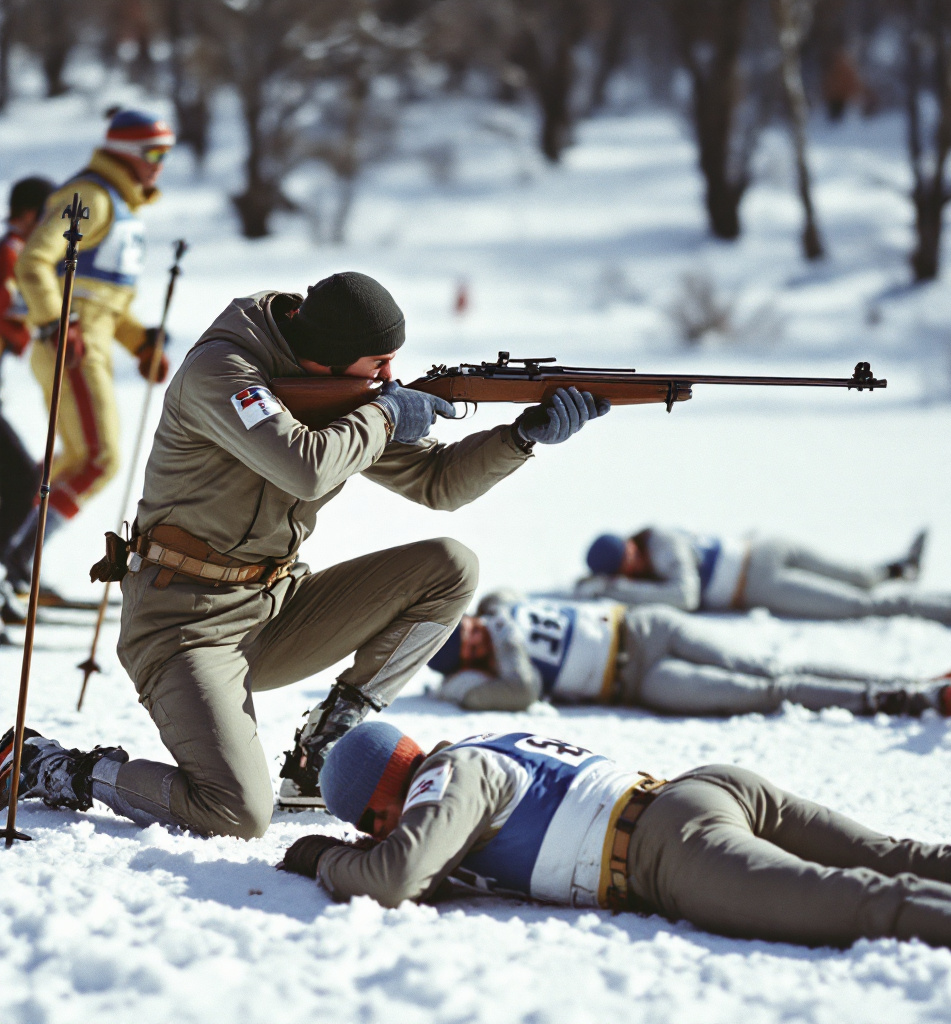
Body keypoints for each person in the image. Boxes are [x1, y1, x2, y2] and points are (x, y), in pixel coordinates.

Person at [1, 271, 610, 839]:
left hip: (276, 607)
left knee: (450, 567)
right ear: (331, 350)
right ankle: (53, 767)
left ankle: (323, 745)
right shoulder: (223, 372)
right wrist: (384, 412)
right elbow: (305, 466)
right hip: (183, 627)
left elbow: (438, 482)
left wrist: (520, 437)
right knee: (236, 811)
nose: (391, 373)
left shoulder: (342, 393)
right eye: (380, 361)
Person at [277, 721, 951, 968]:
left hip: (671, 851)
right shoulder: (481, 747)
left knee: (850, 903)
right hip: (697, 793)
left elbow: (399, 875)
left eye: (370, 824)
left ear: (383, 801)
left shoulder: (449, 775)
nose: (378, 834)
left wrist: (321, 858)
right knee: (899, 856)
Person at [4, 108, 175, 592]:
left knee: (78, 459)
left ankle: (11, 542)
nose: (161, 165)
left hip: (86, 340)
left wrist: (140, 342)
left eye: (166, 154)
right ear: (126, 153)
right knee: (101, 459)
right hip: (71, 345)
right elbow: (34, 264)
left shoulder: (121, 206)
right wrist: (56, 323)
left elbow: (103, 302)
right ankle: (15, 556)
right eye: (154, 154)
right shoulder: (92, 198)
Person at [426, 590, 951, 717]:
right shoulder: (499, 674)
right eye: (474, 644)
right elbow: (522, 693)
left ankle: (917, 676)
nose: (483, 632)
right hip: (639, 679)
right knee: (771, 691)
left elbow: (499, 595)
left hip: (646, 626)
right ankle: (901, 696)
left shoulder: (499, 606)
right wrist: (497, 645)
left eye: (473, 626)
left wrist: (493, 619)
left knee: (767, 665)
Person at [578, 526, 951, 630]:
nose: (633, 565)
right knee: (860, 582)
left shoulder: (660, 542)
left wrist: (618, 589)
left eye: (629, 559)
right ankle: (899, 570)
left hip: (758, 575)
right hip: (761, 556)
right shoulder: (646, 553)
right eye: (625, 566)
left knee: (862, 602)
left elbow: (684, 597)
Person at [0, 176, 54, 631]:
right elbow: (14, 317)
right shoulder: (12, 254)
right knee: (22, 482)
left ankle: (8, 571)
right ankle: (6, 570)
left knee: (22, 480)